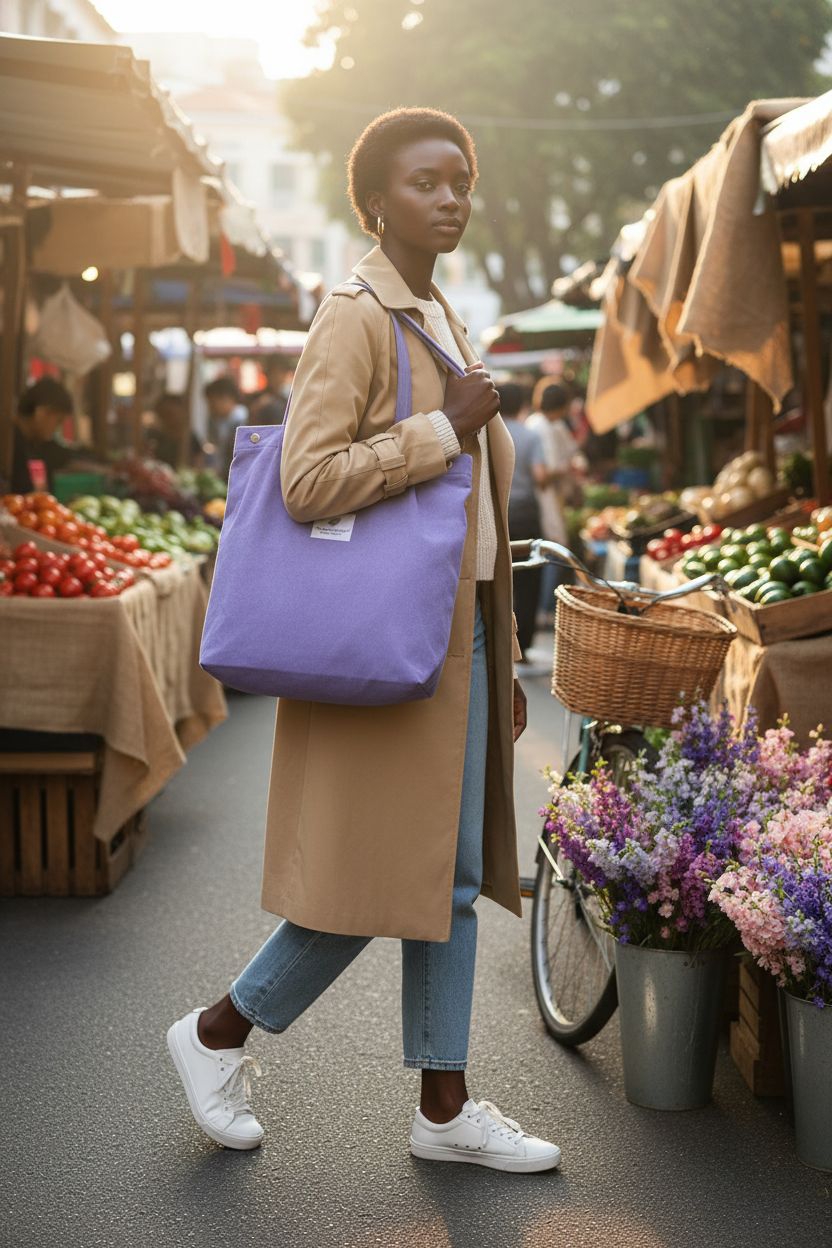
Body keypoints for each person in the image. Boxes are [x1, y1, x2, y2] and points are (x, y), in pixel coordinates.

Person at [167, 107, 561, 1174]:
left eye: (462, 177)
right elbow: (306, 480)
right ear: (376, 200)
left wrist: (499, 655)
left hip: (453, 647)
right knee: (375, 880)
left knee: (450, 883)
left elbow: (473, 525)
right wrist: (444, 430)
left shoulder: (434, 313)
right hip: (385, 648)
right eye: (428, 180)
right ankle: (216, 1032)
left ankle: (443, 1104)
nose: (452, 195)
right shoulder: (356, 314)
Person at [499, 382, 547, 661]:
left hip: (498, 513)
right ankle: (523, 646)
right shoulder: (530, 436)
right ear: (521, 404)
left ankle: (503, 644)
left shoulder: (487, 434)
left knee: (501, 580)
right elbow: (540, 477)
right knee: (529, 579)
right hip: (525, 513)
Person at [526, 384, 581, 619]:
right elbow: (543, 475)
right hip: (542, 497)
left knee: (552, 549)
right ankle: (545, 609)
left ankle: (546, 608)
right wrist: (563, 470)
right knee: (551, 550)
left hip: (547, 498)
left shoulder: (544, 424)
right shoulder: (539, 426)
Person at [11, 378, 88, 494]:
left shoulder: (34, 443)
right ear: (41, 412)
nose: (57, 428)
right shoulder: (10, 446)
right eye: (58, 421)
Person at [145, 393, 203, 468]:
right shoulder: (155, 436)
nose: (169, 419)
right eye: (164, 414)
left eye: (171, 414)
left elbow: (198, 463)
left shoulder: (190, 437)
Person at [203, 376, 247, 476]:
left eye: (212, 403)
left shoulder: (242, 419)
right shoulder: (217, 420)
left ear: (226, 398)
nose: (210, 407)